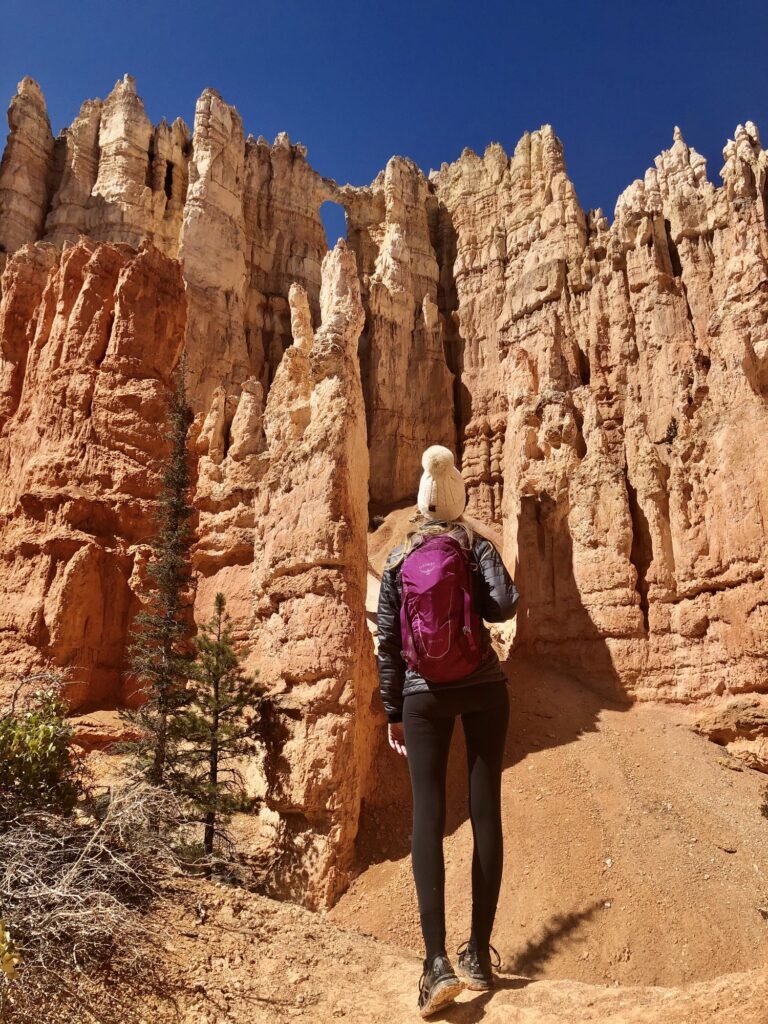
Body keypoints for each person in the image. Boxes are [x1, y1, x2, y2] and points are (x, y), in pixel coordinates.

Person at [376, 445, 519, 1018]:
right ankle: (478, 955)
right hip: (484, 687)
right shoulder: (473, 544)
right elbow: (504, 605)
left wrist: (392, 709)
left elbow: (387, 642)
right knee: (485, 812)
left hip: (421, 695)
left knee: (427, 817)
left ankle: (435, 964)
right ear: (457, 499)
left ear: (420, 501)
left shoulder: (397, 556)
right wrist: (479, 552)